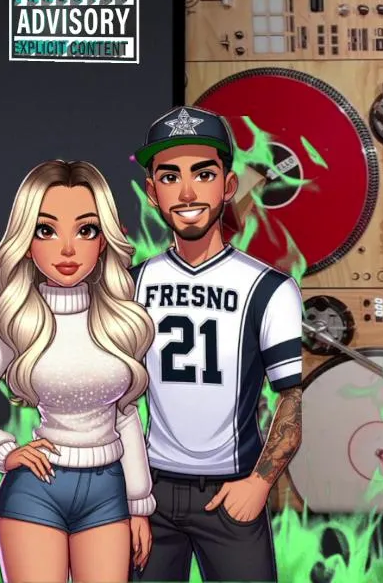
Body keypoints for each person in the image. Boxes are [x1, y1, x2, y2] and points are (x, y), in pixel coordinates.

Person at [130, 107, 303, 583]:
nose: (187, 193)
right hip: (151, 492)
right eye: (170, 177)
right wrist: (127, 493)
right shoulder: (130, 285)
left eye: (203, 174)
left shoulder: (269, 288)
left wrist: (260, 482)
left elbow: (290, 399)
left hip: (232, 491)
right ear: (152, 192)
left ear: (228, 185)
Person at [0, 160, 156, 582]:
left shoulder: (121, 319)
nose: (68, 249)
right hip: (36, 489)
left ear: (104, 240)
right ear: (25, 241)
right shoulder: (16, 317)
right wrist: (1, 450)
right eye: (46, 230)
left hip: (108, 490)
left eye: (85, 230)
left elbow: (125, 413)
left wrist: (139, 505)